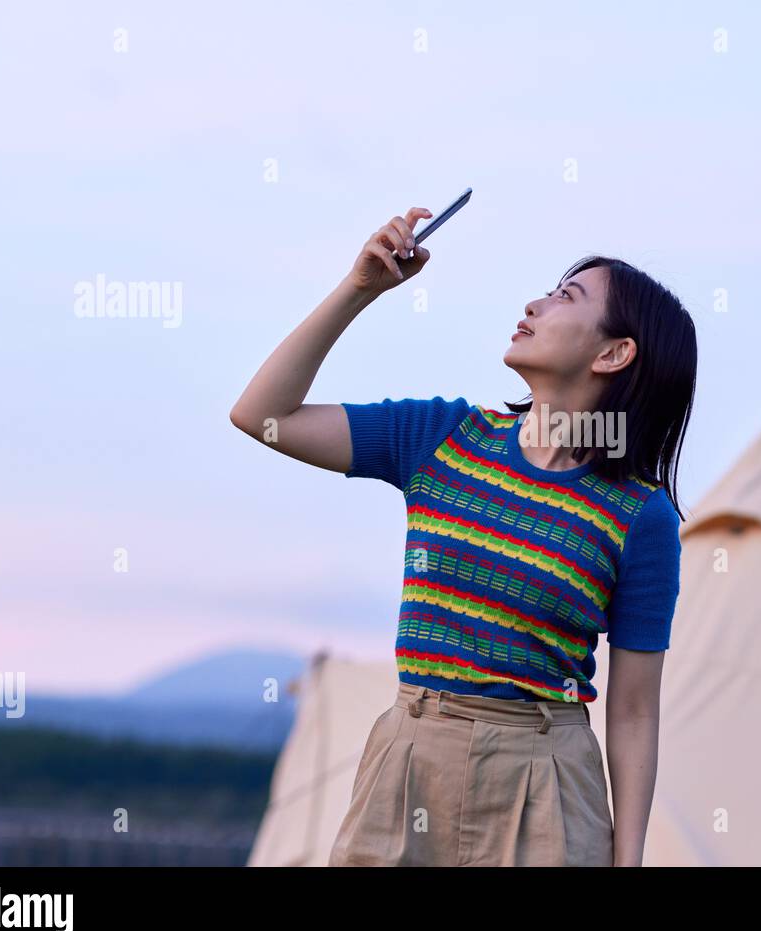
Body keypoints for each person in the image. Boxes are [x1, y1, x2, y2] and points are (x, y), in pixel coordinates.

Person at [230, 207, 697, 866]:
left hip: (548, 789)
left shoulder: (640, 516)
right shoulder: (443, 437)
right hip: (409, 765)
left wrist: (630, 859)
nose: (535, 303)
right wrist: (358, 288)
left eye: (567, 297)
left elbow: (634, 711)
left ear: (613, 353)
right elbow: (263, 415)